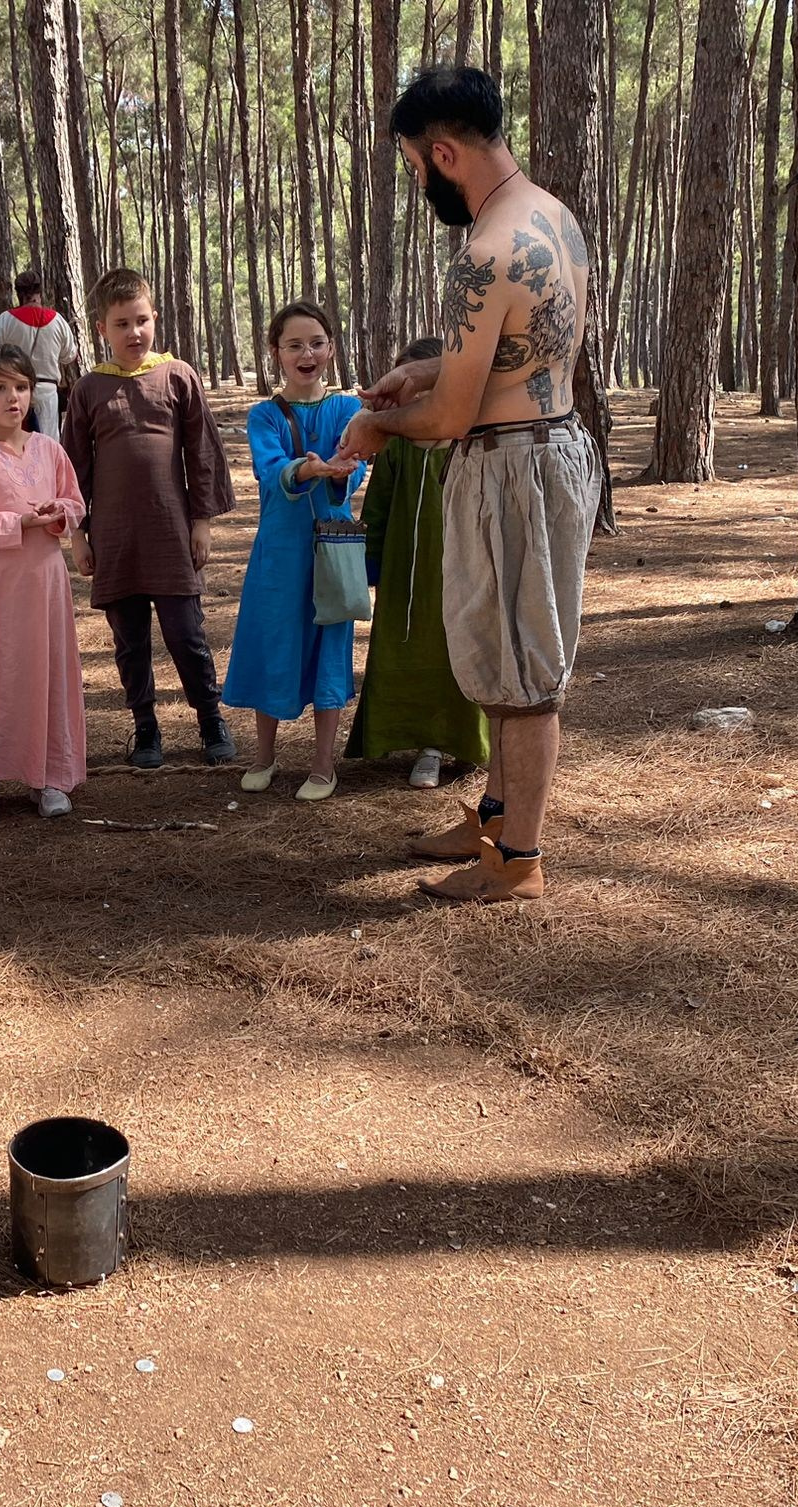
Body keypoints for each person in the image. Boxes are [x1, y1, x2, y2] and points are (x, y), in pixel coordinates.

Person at [337, 64, 602, 903]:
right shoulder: (552, 218)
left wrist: (379, 425)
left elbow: (452, 419)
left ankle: (515, 861)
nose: (419, 183)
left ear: (443, 152)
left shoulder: (483, 253)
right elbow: (516, 357)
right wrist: (419, 373)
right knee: (505, 656)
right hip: (550, 443)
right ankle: (494, 813)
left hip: (512, 469)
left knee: (523, 677)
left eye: (416, 168)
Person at [63, 267, 237, 769]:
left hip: (170, 531)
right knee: (129, 641)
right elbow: (75, 467)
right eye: (121, 324)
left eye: (141, 320)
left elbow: (201, 452)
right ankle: (145, 729)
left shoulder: (177, 376)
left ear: (154, 317)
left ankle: (210, 720)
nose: (133, 332)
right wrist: (79, 535)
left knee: (187, 634)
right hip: (115, 537)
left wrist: (200, 521)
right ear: (102, 329)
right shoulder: (89, 389)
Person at [226, 301, 367, 801]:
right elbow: (271, 472)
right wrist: (309, 468)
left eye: (316, 342)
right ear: (276, 353)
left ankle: (323, 765)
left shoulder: (349, 410)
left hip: (333, 549)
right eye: (294, 345)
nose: (306, 353)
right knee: (272, 643)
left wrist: (337, 471)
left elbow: (352, 470)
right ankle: (264, 756)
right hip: (279, 554)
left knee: (330, 647)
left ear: (330, 348)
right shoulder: (263, 414)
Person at [0, 344, 89, 825]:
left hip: (46, 585)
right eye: (0, 387)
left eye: (22, 387)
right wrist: (20, 522)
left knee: (46, 671)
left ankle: (48, 773)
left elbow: (75, 504)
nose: (14, 398)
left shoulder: (49, 448)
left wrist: (57, 514)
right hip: (0, 590)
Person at [344, 337, 491, 788]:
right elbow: (379, 507)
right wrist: (368, 566)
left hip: (462, 571)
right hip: (405, 572)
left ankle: (446, 743)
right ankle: (401, 735)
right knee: (406, 650)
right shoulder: (399, 448)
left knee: (457, 653)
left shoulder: (471, 443)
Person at [0, 270, 82, 438]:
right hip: (47, 393)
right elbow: (70, 355)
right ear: (40, 292)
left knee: (17, 445)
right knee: (49, 445)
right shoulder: (57, 320)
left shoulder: (6, 320)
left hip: (15, 393)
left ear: (18, 293)